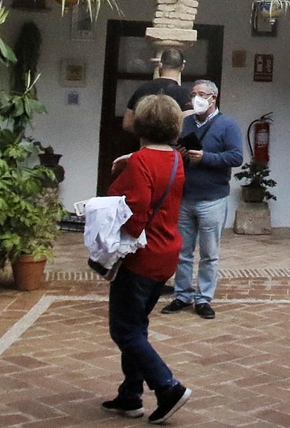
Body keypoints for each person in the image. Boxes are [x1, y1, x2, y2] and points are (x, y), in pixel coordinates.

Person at [102, 94, 194, 423]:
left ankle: (167, 386)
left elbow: (135, 213)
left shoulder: (141, 161)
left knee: (124, 331)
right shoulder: (176, 159)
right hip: (167, 252)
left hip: (142, 254)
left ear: (141, 125)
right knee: (137, 325)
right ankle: (130, 395)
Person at [161, 79, 244, 320]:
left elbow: (236, 157)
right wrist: (181, 153)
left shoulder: (227, 125)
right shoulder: (185, 123)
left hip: (212, 198)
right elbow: (173, 150)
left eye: (202, 94)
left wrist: (205, 157)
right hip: (186, 196)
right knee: (182, 251)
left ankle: (204, 298)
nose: (196, 97)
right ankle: (182, 294)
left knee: (209, 253)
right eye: (193, 93)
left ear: (213, 98)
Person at [124, 48, 192, 134]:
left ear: (160, 65)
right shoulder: (184, 94)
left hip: (146, 144)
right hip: (171, 145)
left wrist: (147, 134)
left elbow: (127, 123)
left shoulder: (142, 89)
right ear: (182, 67)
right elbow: (189, 125)